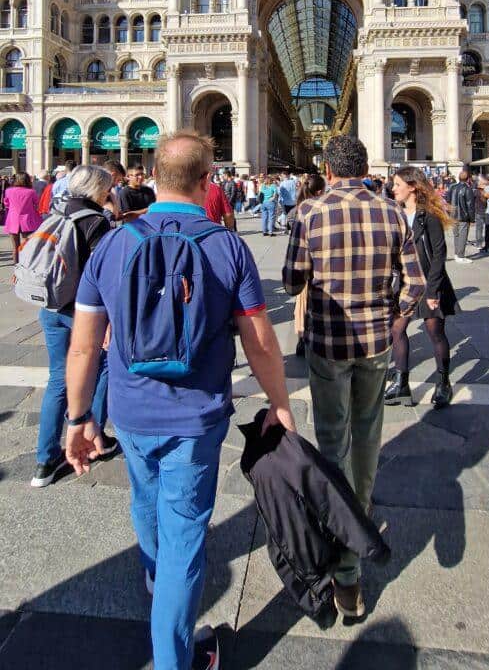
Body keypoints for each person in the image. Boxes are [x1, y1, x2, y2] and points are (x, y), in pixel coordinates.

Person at [65, 131, 295, 670]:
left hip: (129, 409)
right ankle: (174, 659)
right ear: (206, 180)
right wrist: (279, 401)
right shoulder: (225, 245)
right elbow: (259, 340)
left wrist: (78, 418)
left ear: (152, 178)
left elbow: (82, 345)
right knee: (185, 536)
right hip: (197, 418)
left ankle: (155, 580)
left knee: (146, 502)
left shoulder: (114, 244)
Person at [283, 135, 425, 619]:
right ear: (365, 167)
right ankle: (355, 537)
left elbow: (291, 279)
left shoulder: (308, 213)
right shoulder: (392, 213)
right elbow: (417, 284)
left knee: (331, 444)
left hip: (328, 345)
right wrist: (396, 319)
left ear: (327, 167)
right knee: (367, 438)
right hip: (376, 346)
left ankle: (343, 565)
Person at [31, 166, 118, 488]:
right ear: (99, 190)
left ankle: (45, 461)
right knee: (104, 367)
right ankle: (94, 435)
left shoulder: (57, 211)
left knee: (58, 380)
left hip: (50, 307)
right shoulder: (96, 221)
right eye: (108, 188)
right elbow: (106, 278)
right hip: (81, 313)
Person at [387, 166, 459, 408]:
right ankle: (401, 383)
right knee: (397, 330)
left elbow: (439, 253)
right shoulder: (394, 212)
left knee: (435, 333)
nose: (393, 188)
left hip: (429, 281)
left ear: (412, 187)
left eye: (397, 184)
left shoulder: (428, 215)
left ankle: (443, 383)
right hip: (405, 283)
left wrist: (433, 290)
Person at [293, 172, 325, 358]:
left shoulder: (299, 209)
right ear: (320, 191)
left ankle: (301, 338)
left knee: (301, 302)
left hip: (301, 262)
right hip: (319, 262)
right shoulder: (320, 209)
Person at [3, 172, 42, 263]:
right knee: (26, 245)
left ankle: (16, 266)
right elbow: (37, 204)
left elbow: (6, 204)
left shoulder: (8, 191)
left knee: (15, 247)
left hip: (13, 220)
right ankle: (25, 264)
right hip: (27, 221)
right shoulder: (31, 192)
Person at [447, 169, 475, 263]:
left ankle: (457, 254)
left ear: (458, 178)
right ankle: (460, 255)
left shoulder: (452, 187)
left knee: (456, 235)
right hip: (463, 215)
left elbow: (447, 200)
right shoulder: (467, 189)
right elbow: (470, 205)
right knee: (462, 235)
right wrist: (472, 219)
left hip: (453, 214)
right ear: (467, 179)